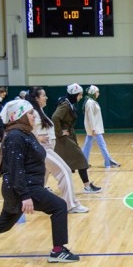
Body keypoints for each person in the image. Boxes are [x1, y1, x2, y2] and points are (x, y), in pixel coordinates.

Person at [0, 99, 81, 263]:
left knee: (4, 223)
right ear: (19, 116)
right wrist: (25, 195)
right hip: (24, 187)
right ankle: (58, 251)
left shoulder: (25, 133)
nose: (34, 116)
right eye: (30, 113)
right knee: (59, 206)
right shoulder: (15, 136)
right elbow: (16, 168)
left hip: (23, 186)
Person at [28, 86, 88, 216]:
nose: (46, 97)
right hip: (43, 150)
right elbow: (24, 128)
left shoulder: (39, 111)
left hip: (47, 149)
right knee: (65, 171)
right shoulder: (32, 112)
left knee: (40, 180)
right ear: (36, 98)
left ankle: (29, 202)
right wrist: (37, 137)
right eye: (43, 95)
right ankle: (71, 205)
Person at [52, 83, 101, 193]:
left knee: (66, 163)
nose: (81, 97)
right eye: (79, 95)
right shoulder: (65, 104)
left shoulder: (68, 103)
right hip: (64, 138)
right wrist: (59, 132)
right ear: (74, 95)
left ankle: (84, 186)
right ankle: (87, 187)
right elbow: (55, 117)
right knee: (81, 159)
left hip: (69, 136)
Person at [80, 85, 121, 168]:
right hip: (95, 129)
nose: (98, 93)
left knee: (87, 145)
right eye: (97, 92)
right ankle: (108, 162)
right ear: (93, 92)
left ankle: (83, 162)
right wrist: (93, 129)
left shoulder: (92, 101)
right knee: (102, 145)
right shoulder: (90, 103)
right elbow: (91, 116)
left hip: (94, 128)